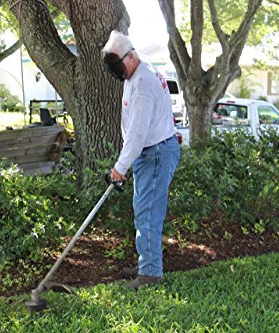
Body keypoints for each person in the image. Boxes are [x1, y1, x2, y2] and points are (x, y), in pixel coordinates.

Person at [102, 31, 181, 289]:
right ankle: (147, 263)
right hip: (149, 153)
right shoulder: (135, 74)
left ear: (131, 56)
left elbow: (137, 133)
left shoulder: (143, 83)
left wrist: (120, 167)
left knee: (147, 214)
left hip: (156, 153)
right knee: (143, 211)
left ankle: (150, 275)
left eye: (118, 65)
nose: (116, 71)